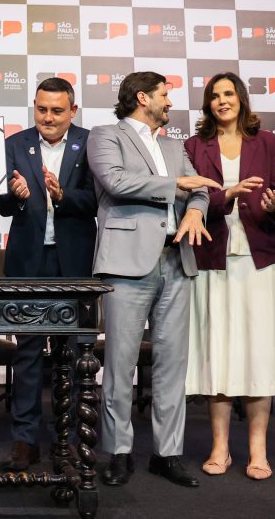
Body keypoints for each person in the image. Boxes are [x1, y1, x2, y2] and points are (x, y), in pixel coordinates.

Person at [87, 71, 219, 489]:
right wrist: (176, 184)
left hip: (177, 260)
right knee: (120, 363)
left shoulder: (174, 145)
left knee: (172, 364)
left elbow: (200, 189)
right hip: (127, 264)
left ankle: (168, 453)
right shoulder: (105, 135)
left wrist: (195, 209)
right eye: (164, 94)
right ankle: (118, 452)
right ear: (142, 97)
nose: (170, 101)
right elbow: (116, 181)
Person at [182, 72, 275, 480]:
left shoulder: (266, 142)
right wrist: (227, 196)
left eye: (229, 94)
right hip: (213, 259)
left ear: (241, 99)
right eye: (215, 96)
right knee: (217, 354)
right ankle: (220, 448)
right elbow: (190, 202)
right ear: (207, 104)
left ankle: (257, 450)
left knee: (258, 354)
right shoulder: (193, 145)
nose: (222, 101)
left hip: (260, 261)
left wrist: (274, 205)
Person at [0, 77, 97, 471]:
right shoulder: (15, 144)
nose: (48, 117)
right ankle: (24, 440)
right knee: (28, 353)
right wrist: (15, 196)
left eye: (57, 110)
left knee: (72, 355)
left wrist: (63, 196)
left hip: (74, 263)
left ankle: (66, 438)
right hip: (28, 264)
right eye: (41, 109)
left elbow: (97, 200)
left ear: (73, 110)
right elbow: (1, 204)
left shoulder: (91, 143)